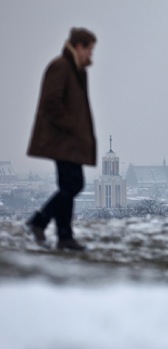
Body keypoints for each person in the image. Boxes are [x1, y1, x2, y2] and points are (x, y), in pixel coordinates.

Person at [26, 27, 97, 251]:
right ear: (79, 47)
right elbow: (51, 102)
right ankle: (40, 221)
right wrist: (72, 125)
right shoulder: (61, 67)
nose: (91, 55)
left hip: (69, 141)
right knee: (74, 184)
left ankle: (65, 237)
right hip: (62, 140)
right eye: (90, 50)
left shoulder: (76, 70)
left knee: (68, 185)